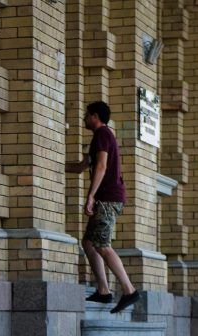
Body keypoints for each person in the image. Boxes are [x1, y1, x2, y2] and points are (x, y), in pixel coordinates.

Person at [65, 100, 140, 314]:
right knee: (89, 242)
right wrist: (54, 164)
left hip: (107, 198)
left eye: (87, 115)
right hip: (107, 198)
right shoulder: (97, 138)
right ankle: (104, 291)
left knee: (102, 244)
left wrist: (91, 196)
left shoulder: (102, 134)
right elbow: (81, 167)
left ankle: (129, 290)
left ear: (95, 116)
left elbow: (101, 166)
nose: (84, 118)